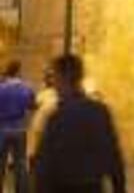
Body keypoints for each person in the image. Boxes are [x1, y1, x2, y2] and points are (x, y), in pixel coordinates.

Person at [33, 54, 126, 193]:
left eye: (55, 77)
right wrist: (119, 187)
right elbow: (113, 154)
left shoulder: (57, 116)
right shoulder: (100, 111)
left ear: (63, 78)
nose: (54, 84)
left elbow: (45, 165)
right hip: (92, 187)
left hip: (62, 187)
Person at [0, 59, 36, 192]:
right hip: (20, 129)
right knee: (20, 163)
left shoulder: (1, 88)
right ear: (18, 71)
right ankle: (21, 190)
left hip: (2, 129)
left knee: (0, 162)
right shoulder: (26, 88)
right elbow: (32, 106)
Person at [27, 68, 58, 165]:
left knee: (36, 148)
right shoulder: (45, 93)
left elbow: (33, 106)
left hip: (43, 127)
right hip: (45, 127)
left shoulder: (43, 94)